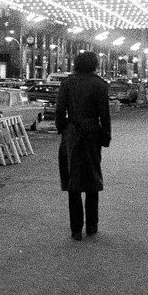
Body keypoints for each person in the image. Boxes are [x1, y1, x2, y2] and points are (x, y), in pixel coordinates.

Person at [56, 51, 111, 241]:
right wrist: (106, 136)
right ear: (94, 64)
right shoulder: (100, 84)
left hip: (72, 134)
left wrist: (63, 129)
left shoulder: (67, 83)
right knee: (92, 179)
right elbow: (105, 114)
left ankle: (76, 229)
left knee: (73, 181)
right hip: (92, 134)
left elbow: (59, 110)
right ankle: (92, 226)